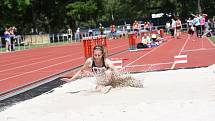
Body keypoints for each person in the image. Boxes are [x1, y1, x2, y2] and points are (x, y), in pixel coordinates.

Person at [61, 45, 143, 93]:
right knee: (93, 81)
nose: (97, 57)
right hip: (100, 80)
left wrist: (119, 76)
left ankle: (132, 81)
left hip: (111, 78)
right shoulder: (89, 61)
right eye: (95, 55)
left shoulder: (106, 61)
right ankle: (104, 87)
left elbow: (114, 69)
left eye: (99, 55)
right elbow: (81, 71)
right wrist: (70, 80)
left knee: (110, 72)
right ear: (93, 54)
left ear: (102, 55)